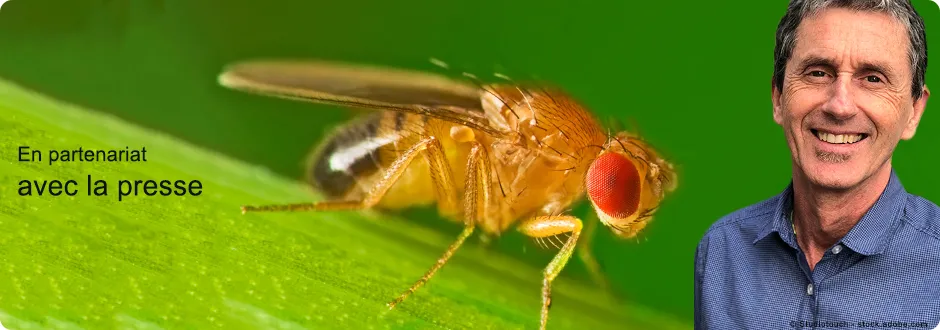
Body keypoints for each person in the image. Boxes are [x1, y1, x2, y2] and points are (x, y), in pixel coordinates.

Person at [694, 1, 940, 329]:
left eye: (873, 78)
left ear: (914, 112)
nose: (840, 106)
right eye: (818, 72)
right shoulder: (721, 252)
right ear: (778, 96)